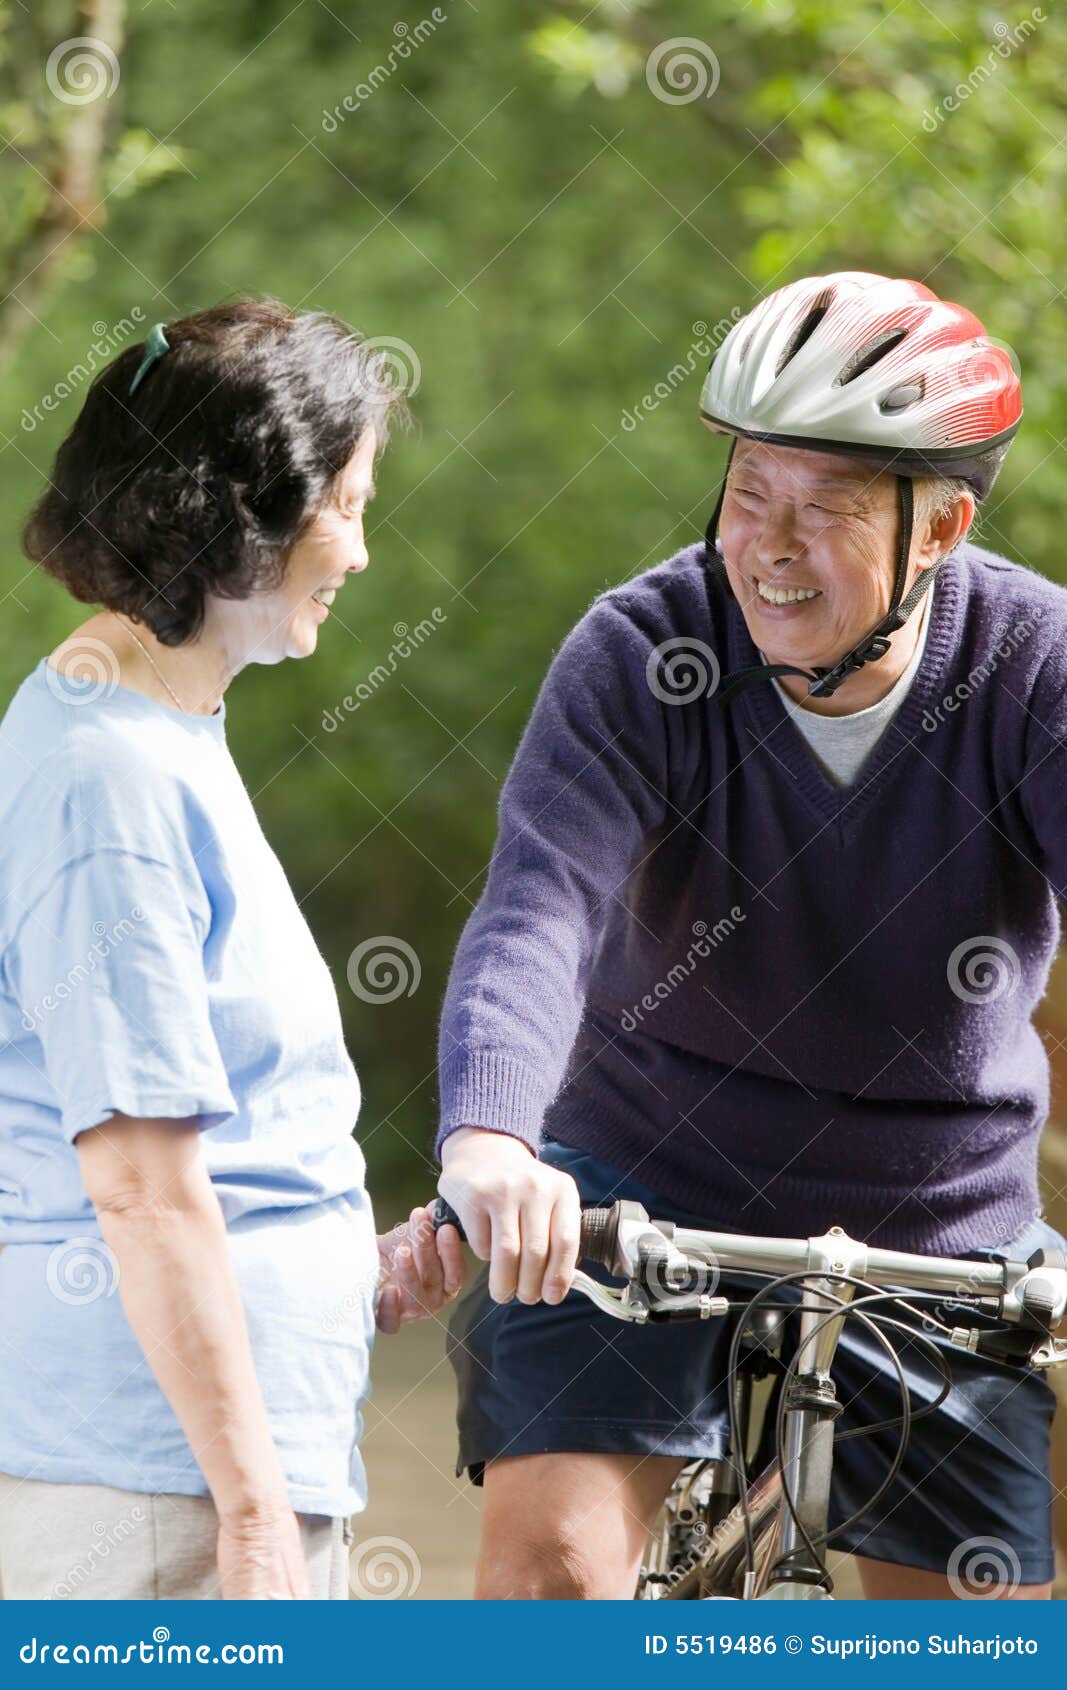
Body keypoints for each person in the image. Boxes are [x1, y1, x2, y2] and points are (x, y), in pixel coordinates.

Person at [435, 271, 1066, 1599]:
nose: (770, 544)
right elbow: (537, 914)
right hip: (640, 1179)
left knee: (970, 1639)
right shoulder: (643, 652)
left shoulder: (1035, 667)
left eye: (825, 507)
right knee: (551, 1576)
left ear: (944, 525)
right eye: (747, 492)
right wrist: (490, 1139)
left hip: (941, 1215)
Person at [0, 300, 464, 1601]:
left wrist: (345, 1269)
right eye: (347, 506)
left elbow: (218, 1155)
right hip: (157, 1497)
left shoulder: (163, 736)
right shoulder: (107, 777)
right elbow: (140, 1188)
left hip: (201, 1478)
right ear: (242, 511)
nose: (360, 550)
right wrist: (253, 1511)